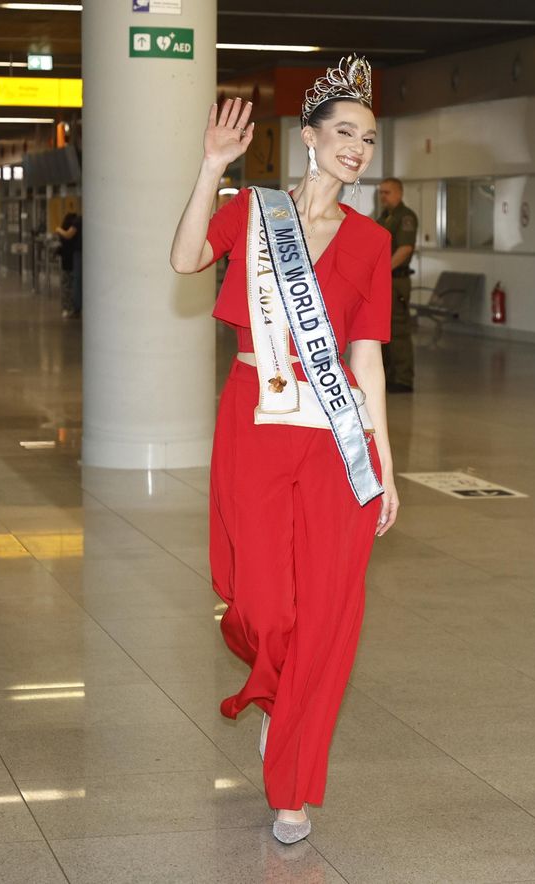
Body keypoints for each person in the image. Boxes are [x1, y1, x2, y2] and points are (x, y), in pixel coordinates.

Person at [170, 56, 399, 844]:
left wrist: (386, 469)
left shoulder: (371, 243)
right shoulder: (254, 211)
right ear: (308, 138)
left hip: (335, 440)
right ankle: (274, 690)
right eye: (344, 133)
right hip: (257, 427)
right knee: (265, 604)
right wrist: (211, 169)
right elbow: (185, 258)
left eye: (367, 139)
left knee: (329, 613)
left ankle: (293, 783)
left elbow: (365, 361)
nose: (357, 148)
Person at [376, 178, 418, 393]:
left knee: (399, 329)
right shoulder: (384, 217)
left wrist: (383, 270)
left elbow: (405, 249)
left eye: (387, 193)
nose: (383, 197)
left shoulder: (405, 217)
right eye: (381, 193)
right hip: (384, 281)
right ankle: (389, 375)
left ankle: (403, 378)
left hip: (396, 280)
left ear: (399, 193)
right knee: (384, 330)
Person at [55, 212, 79, 318]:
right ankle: (76, 308)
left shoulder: (63, 232)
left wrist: (58, 229)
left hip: (66, 262)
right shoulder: (77, 234)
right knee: (75, 285)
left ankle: (66, 308)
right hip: (76, 262)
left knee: (66, 286)